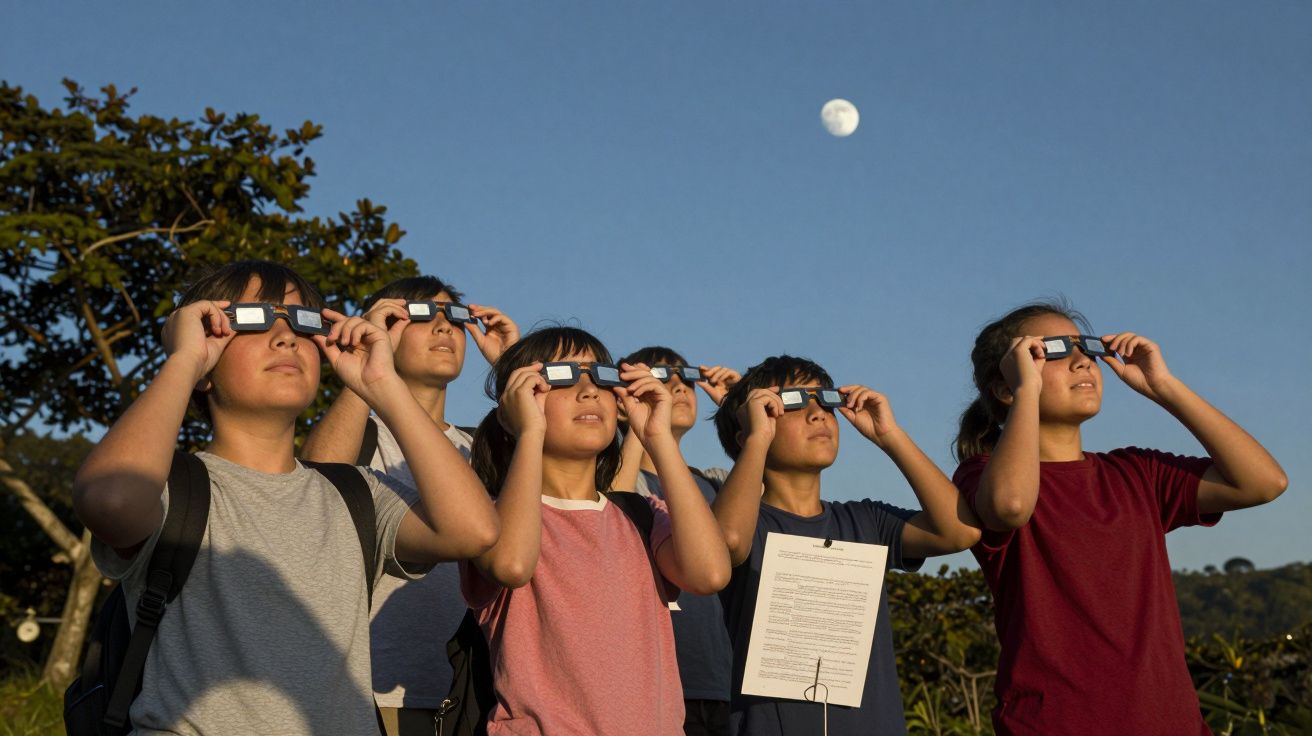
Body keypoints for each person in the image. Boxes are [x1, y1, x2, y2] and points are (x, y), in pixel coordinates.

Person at [73, 260, 499, 734]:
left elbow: (474, 531)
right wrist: (183, 362)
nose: (286, 337)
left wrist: (382, 384)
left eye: (301, 322)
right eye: (253, 320)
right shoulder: (173, 489)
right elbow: (110, 500)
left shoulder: (355, 493)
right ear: (206, 360)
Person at [952, 300, 1287, 735]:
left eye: (1086, 349)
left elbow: (1264, 482)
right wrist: (1026, 392)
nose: (1081, 362)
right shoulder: (982, 476)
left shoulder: (1136, 472)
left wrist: (1164, 386)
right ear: (1005, 386)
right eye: (1053, 350)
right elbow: (1011, 506)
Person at [462, 326, 732, 735]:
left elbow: (710, 574)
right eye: (562, 377)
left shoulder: (640, 514)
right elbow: (512, 565)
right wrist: (529, 431)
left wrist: (658, 438)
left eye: (600, 378)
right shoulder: (493, 518)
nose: (588, 391)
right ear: (512, 407)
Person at [712, 355, 980, 735]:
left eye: (826, 401)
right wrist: (756, 440)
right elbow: (724, 544)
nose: (818, 414)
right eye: (793, 403)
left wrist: (890, 436)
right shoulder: (742, 521)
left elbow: (959, 531)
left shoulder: (864, 520)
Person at [300, 275, 518, 736]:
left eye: (454, 318)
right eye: (421, 315)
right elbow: (313, 490)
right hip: (371, 696)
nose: (444, 328)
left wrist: (511, 369)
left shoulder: (481, 448)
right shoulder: (361, 434)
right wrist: (363, 363)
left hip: (472, 699)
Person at [611, 346, 740, 736]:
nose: (680, 387)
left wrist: (739, 408)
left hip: (716, 684)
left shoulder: (713, 482)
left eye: (687, 380)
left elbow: (770, 493)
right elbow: (612, 509)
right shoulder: (618, 479)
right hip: (649, 684)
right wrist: (642, 424)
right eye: (663, 378)